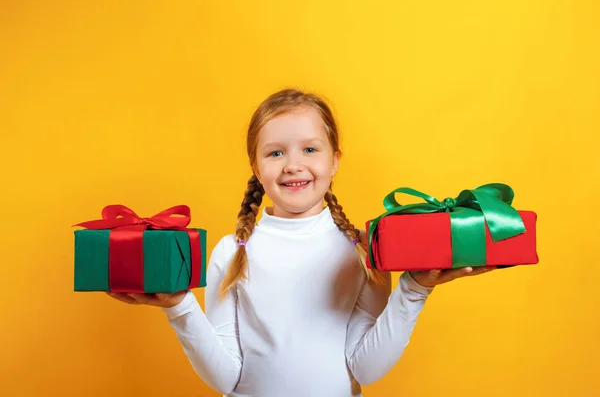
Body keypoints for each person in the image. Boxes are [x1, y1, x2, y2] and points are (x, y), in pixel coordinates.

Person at [108, 88, 496, 396]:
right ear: (257, 168)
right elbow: (226, 378)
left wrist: (415, 289)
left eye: (310, 149)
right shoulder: (232, 252)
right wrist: (179, 308)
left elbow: (365, 368)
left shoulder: (363, 250)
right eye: (276, 152)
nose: (293, 164)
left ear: (335, 160)